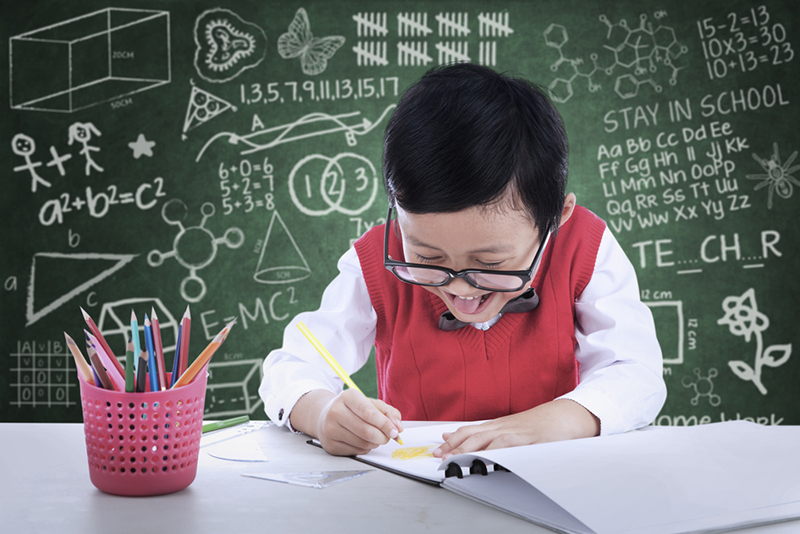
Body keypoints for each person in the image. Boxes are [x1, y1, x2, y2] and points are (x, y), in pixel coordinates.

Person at [259, 63, 666, 459]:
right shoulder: (376, 256)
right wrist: (322, 412)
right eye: (427, 256)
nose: (459, 287)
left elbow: (636, 373)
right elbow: (291, 365)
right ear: (398, 211)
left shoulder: (584, 245)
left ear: (555, 220)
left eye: (490, 262)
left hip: (556, 481)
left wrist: (550, 423)